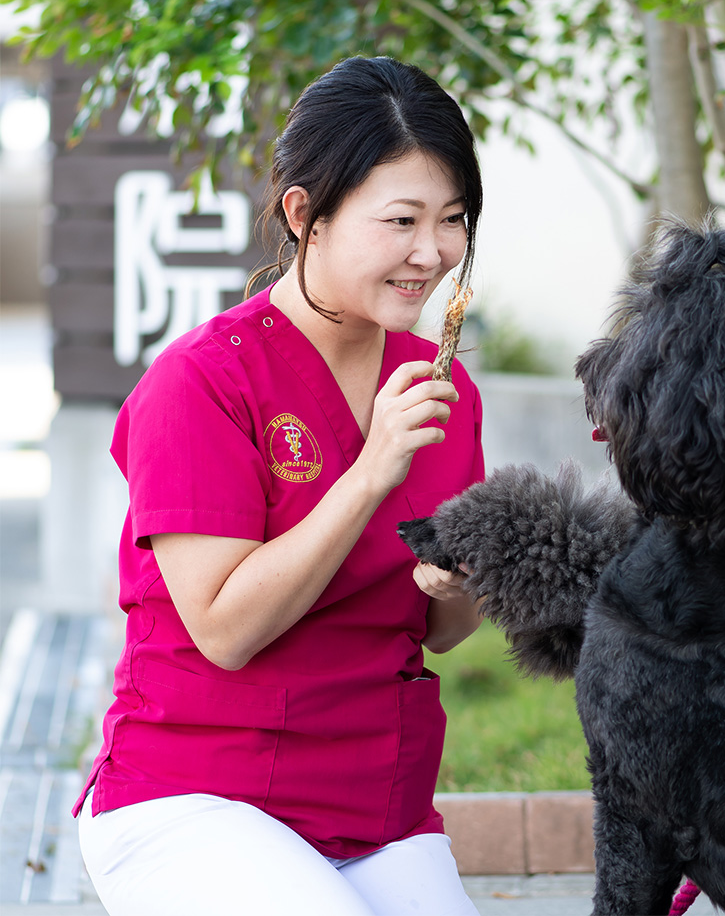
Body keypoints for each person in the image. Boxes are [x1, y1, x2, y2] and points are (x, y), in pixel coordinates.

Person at [74, 56, 486, 916]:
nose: (432, 253)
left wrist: (460, 586)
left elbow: (445, 631)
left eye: (452, 220)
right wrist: (371, 472)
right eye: (401, 220)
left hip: (374, 806)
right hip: (194, 797)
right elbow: (227, 629)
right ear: (306, 215)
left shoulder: (438, 384)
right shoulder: (201, 382)